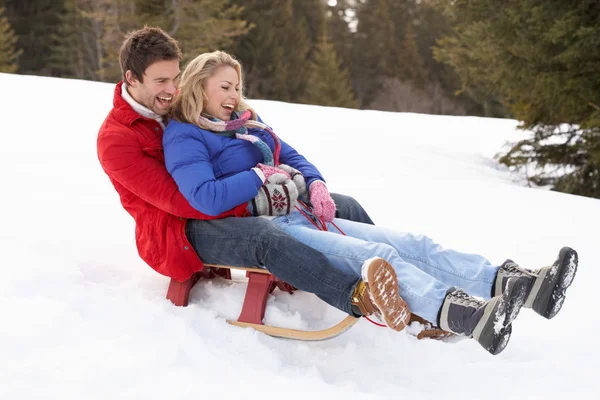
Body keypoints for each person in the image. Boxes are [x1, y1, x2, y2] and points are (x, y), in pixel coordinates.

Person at [163, 49, 580, 355]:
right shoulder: (185, 135)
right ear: (200, 85)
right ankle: (464, 315)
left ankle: (520, 286)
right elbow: (205, 196)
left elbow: (291, 157)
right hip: (273, 226)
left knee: (412, 242)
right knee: (375, 254)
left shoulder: (248, 123)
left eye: (237, 86)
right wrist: (256, 175)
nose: (235, 94)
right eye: (225, 86)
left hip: (300, 211)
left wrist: (316, 184)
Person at [96, 26, 396, 328]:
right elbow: (181, 202)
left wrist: (309, 184)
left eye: (176, 78)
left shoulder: (180, 105)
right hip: (179, 230)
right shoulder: (116, 140)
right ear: (131, 78)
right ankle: (356, 295)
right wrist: (256, 201)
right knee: (265, 237)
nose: (173, 90)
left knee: (345, 205)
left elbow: (276, 150)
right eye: (161, 81)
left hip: (228, 196)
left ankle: (401, 281)